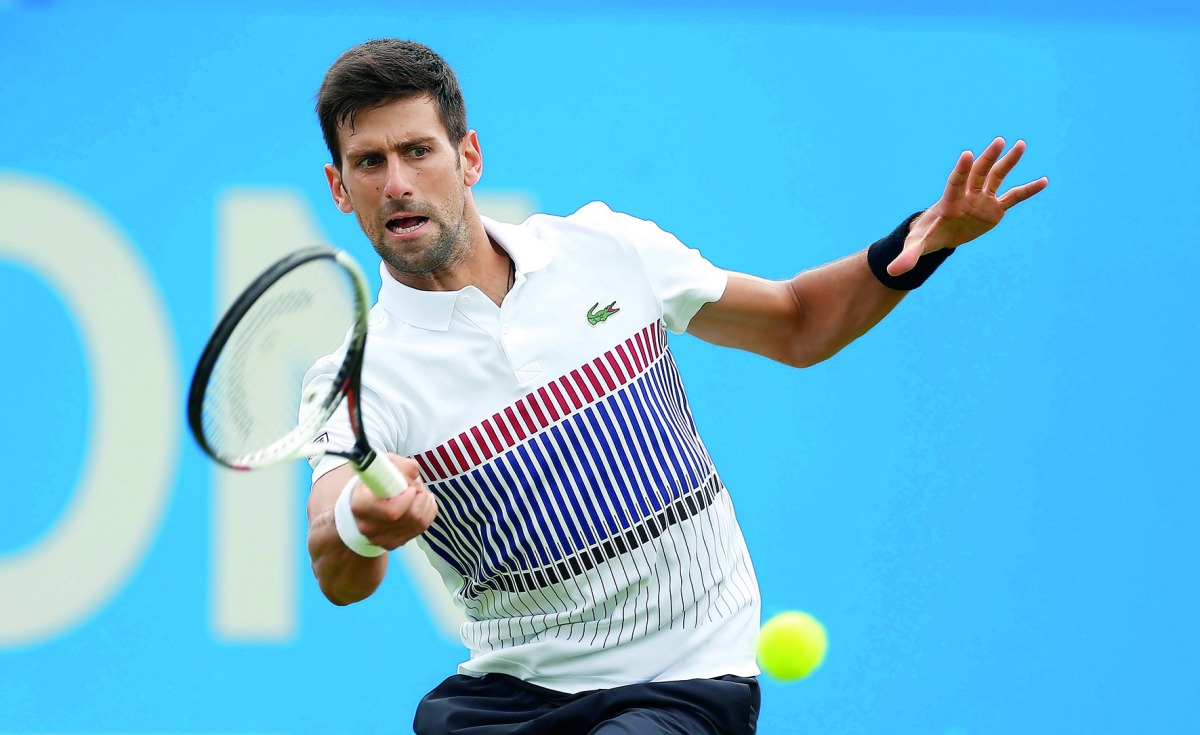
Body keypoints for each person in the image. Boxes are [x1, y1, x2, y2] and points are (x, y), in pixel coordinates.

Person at [302, 38, 1047, 735]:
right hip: (510, 697)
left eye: (417, 151)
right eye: (369, 162)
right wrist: (365, 524)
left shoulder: (604, 248)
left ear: (468, 157)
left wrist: (914, 247)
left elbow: (797, 322)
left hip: (685, 678)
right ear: (340, 188)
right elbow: (333, 558)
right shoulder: (353, 379)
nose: (397, 184)